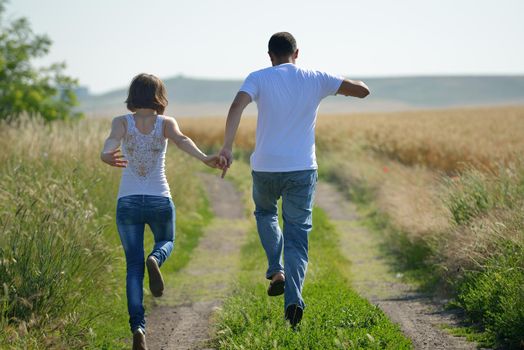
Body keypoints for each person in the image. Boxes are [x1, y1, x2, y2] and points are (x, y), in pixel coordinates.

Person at [219, 32, 370, 327]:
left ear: (270, 56)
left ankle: (276, 269)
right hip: (302, 169)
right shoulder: (315, 78)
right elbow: (363, 91)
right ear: (297, 53)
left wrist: (227, 146)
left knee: (265, 213)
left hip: (265, 168)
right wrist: (340, 85)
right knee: (298, 234)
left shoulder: (259, 77)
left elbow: (237, 105)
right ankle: (294, 298)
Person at [100, 73, 222, 349]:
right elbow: (182, 140)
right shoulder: (166, 123)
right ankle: (156, 258)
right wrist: (205, 158)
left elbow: (110, 143)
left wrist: (104, 154)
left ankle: (138, 329)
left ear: (132, 95)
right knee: (167, 241)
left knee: (133, 267)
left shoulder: (121, 122)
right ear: (159, 96)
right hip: (159, 198)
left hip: (128, 201)